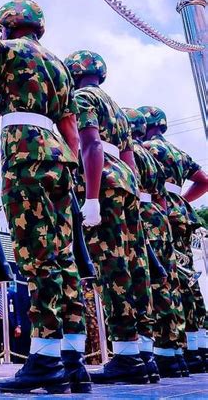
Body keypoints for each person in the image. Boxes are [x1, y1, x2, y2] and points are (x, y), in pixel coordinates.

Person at [0, 0, 90, 395]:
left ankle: (45, 359)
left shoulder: (5, 52)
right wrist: (74, 171)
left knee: (36, 256)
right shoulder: (61, 66)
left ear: (8, 25)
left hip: (25, 154)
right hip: (60, 159)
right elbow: (70, 125)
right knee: (63, 257)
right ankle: (73, 359)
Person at [64, 50, 155, 384]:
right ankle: (145, 353)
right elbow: (129, 158)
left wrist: (90, 197)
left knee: (112, 269)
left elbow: (91, 145)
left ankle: (128, 357)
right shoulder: (115, 107)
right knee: (134, 269)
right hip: (127, 186)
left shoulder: (82, 96)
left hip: (104, 185)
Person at [138, 105, 208, 373]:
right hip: (181, 216)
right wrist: (182, 201)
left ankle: (170, 347)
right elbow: (203, 180)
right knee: (187, 279)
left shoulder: (147, 149)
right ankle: (196, 346)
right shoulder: (179, 152)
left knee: (165, 278)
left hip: (159, 213)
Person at [124, 108, 186, 378]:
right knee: (167, 285)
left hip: (141, 216)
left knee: (143, 282)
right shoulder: (151, 155)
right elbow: (161, 195)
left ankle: (146, 353)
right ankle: (172, 353)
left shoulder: (137, 151)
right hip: (160, 218)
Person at [0, 284, 22, 364]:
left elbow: (17, 310)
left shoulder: (11, 293)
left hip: (9, 322)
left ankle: (13, 364)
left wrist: (18, 325)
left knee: (11, 344)